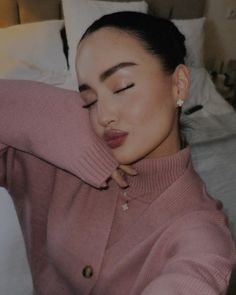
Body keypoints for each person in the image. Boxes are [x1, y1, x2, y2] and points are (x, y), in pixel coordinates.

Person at [0, 11, 235, 295]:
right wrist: (67, 117)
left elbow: (198, 274)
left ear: (179, 84)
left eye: (122, 87)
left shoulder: (200, 232)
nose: (103, 115)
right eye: (88, 100)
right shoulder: (51, 161)